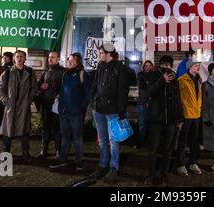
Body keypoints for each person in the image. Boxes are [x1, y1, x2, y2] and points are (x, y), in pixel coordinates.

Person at [143, 55, 183, 186]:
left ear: (171, 66)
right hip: (156, 118)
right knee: (153, 148)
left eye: (168, 65)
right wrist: (162, 80)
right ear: (160, 65)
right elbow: (148, 93)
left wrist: (179, 118)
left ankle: (165, 174)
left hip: (171, 119)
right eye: (163, 65)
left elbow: (178, 100)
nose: (166, 67)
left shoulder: (175, 79)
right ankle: (151, 174)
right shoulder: (153, 76)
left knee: (168, 148)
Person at [90, 42, 127, 184]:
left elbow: (122, 90)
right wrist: (93, 102)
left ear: (109, 54)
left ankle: (114, 167)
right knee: (103, 140)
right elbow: (95, 84)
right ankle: (103, 165)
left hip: (113, 111)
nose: (99, 55)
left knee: (114, 140)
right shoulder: (100, 66)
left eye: (101, 53)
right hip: (98, 109)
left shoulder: (119, 68)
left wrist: (121, 110)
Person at [49, 53, 91, 171]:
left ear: (78, 62)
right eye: (69, 60)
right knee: (65, 136)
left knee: (77, 137)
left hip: (76, 112)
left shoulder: (83, 75)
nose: (70, 62)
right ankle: (63, 158)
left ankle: (79, 160)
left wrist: (82, 107)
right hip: (64, 111)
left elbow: (89, 93)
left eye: (72, 60)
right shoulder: (65, 74)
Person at [0, 50, 38, 162]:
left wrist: (28, 100)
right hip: (11, 107)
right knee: (7, 131)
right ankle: (6, 154)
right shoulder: (7, 72)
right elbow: (0, 88)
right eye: (17, 57)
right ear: (14, 59)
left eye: (21, 57)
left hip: (24, 107)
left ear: (25, 59)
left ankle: (25, 153)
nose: (19, 59)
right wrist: (6, 101)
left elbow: (34, 88)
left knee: (24, 131)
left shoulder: (30, 72)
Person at [36, 51, 65, 159]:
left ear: (58, 59)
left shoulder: (63, 72)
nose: (50, 59)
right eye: (49, 57)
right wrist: (41, 86)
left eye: (52, 57)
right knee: (45, 128)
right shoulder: (46, 72)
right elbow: (39, 86)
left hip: (56, 106)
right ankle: (44, 149)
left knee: (57, 128)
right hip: (45, 105)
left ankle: (58, 150)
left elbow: (65, 88)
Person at [176, 60, 203, 176]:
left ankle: (193, 163)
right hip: (186, 115)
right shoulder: (181, 80)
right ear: (190, 67)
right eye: (196, 66)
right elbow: (178, 100)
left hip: (196, 115)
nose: (198, 68)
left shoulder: (199, 80)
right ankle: (181, 165)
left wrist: (199, 109)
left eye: (198, 66)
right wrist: (180, 117)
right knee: (183, 141)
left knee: (194, 140)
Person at [136, 60, 154, 149]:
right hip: (142, 102)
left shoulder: (154, 75)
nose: (148, 67)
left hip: (152, 102)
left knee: (151, 123)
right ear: (143, 67)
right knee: (142, 123)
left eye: (149, 65)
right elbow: (142, 86)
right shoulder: (140, 74)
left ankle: (149, 142)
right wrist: (149, 84)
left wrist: (148, 83)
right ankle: (140, 142)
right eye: (146, 65)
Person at [0, 52, 14, 139]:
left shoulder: (14, 68)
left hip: (11, 94)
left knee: (10, 114)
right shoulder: (0, 68)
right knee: (0, 114)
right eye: (4, 57)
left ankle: (10, 132)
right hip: (1, 95)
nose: (4, 59)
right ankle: (0, 132)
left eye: (6, 57)